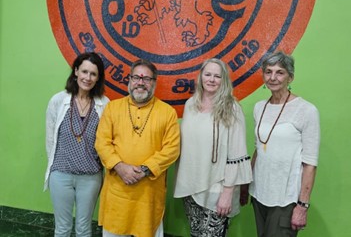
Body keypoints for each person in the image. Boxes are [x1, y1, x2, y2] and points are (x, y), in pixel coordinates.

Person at [95, 58, 180, 237]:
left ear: (154, 83)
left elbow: (172, 149)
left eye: (147, 79)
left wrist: (144, 170)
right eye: (136, 78)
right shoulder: (112, 108)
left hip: (148, 196)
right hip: (117, 193)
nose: (141, 83)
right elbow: (102, 142)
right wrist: (120, 167)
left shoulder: (167, 112)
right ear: (130, 80)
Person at [174, 58, 253, 236]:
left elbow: (237, 153)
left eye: (217, 76)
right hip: (190, 187)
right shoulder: (190, 105)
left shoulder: (232, 108)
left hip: (217, 189)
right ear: (200, 77)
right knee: (196, 234)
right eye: (208, 74)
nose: (211, 79)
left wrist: (227, 193)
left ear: (223, 80)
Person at [248, 51, 320, 236]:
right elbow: (259, 149)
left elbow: (310, 164)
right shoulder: (259, 107)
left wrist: (302, 206)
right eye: (268, 71)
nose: (273, 77)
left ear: (290, 77)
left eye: (280, 72)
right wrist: (245, 186)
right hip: (259, 194)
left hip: (286, 199)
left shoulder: (306, 110)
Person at [44, 52, 109, 237]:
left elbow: (107, 140)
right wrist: (55, 168)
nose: (87, 78)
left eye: (93, 74)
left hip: (90, 178)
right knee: (62, 229)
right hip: (61, 175)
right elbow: (50, 139)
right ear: (75, 72)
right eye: (84, 71)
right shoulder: (58, 100)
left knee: (83, 229)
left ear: (98, 78)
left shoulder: (104, 104)